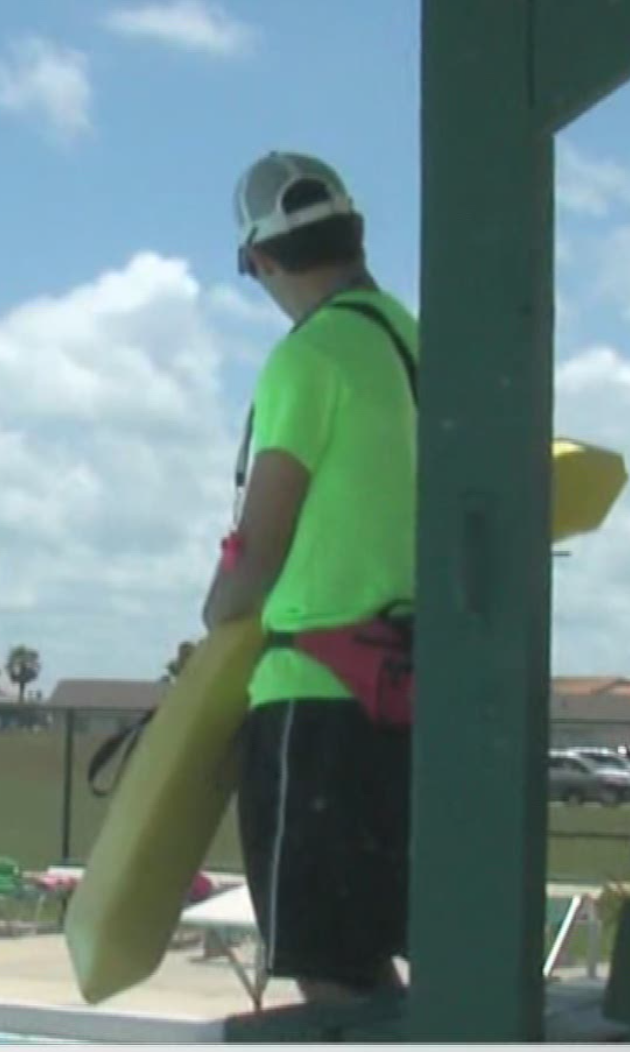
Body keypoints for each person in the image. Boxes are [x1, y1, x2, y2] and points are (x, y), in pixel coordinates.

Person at [202, 150, 417, 1005]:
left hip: (317, 708)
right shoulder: (413, 342)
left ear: (260, 261)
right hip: (408, 694)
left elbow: (256, 559)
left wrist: (216, 609)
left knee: (333, 975)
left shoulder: (309, 358)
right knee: (383, 964)